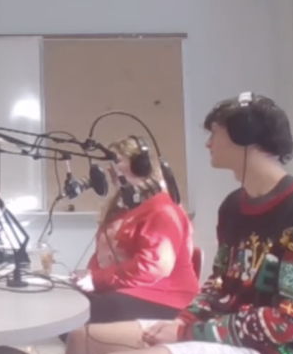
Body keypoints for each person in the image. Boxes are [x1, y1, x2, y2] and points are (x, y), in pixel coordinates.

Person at [54, 93, 293, 354]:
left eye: (214, 134)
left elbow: (290, 323)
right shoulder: (233, 207)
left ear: (245, 137)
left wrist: (187, 333)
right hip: (222, 337)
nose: (208, 144)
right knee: (82, 339)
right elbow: (218, 285)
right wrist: (183, 321)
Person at [71, 135, 200, 324]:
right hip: (129, 291)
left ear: (140, 166)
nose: (110, 169)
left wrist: (97, 280)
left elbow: (152, 268)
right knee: (71, 302)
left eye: (117, 161)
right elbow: (103, 257)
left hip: (165, 297)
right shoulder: (122, 209)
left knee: (86, 316)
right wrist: (88, 277)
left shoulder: (163, 210)